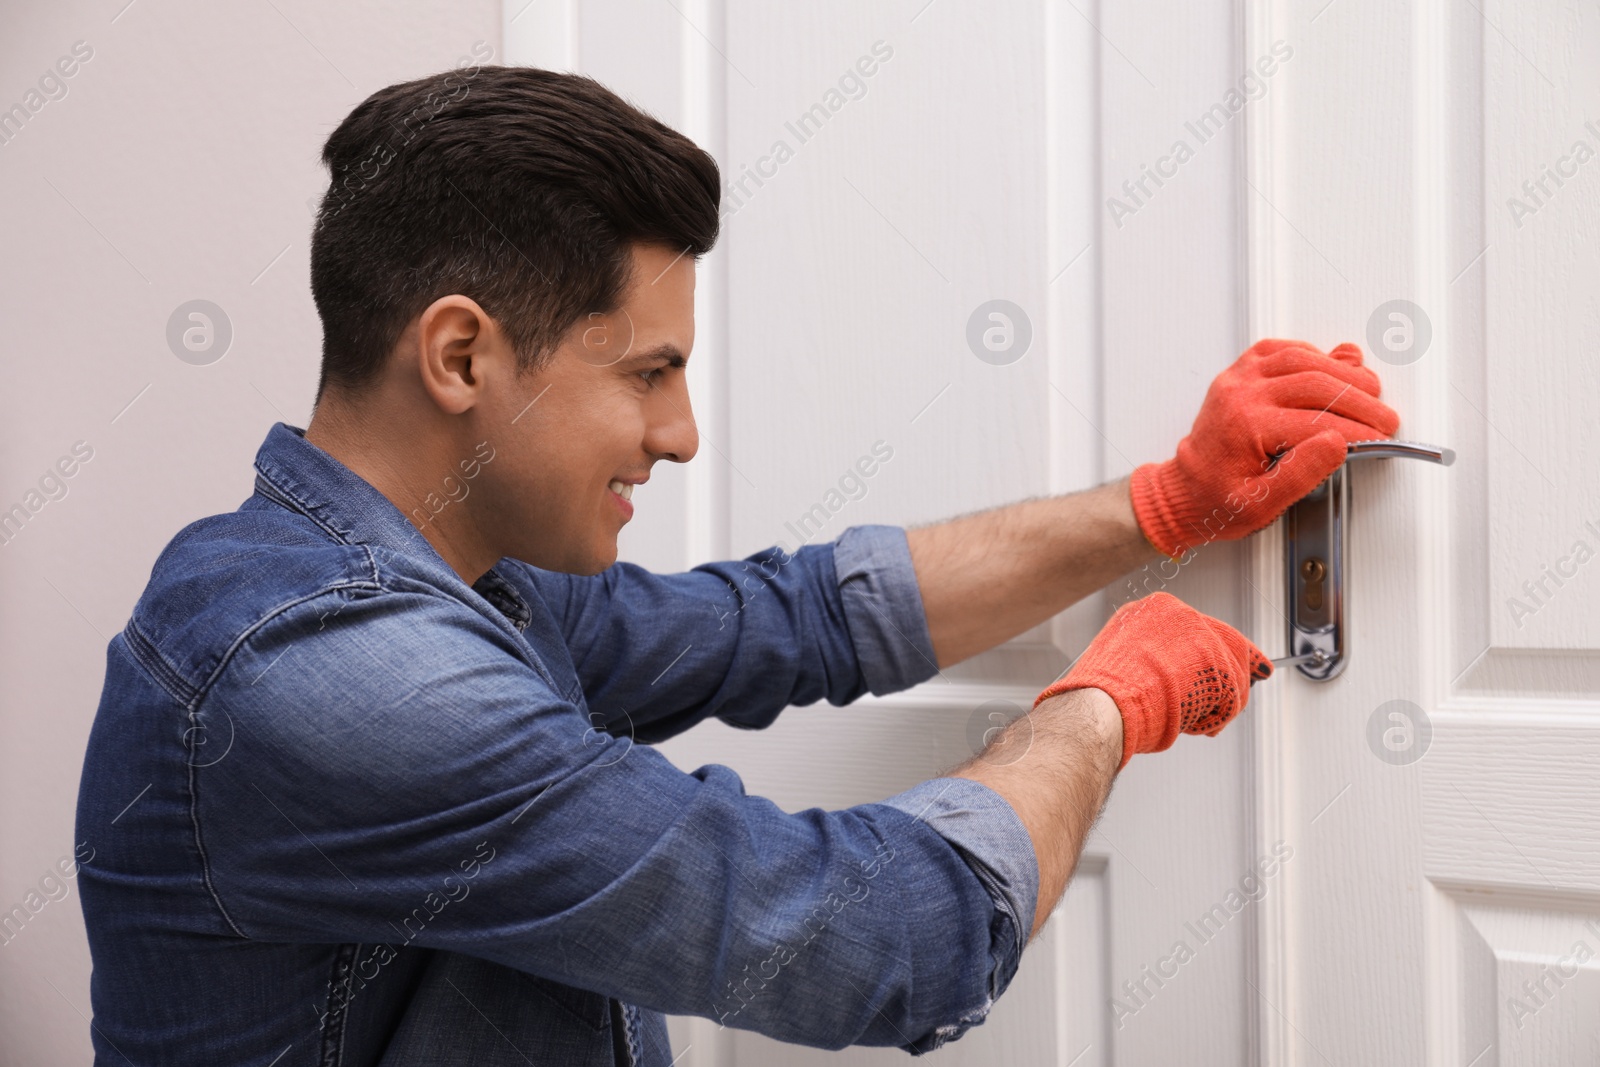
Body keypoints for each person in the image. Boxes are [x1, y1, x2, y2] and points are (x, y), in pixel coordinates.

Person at [74, 65, 1400, 1066]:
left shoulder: (459, 571)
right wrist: (1109, 705)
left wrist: (1163, 504)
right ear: (462, 357)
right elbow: (889, 944)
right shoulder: (336, 679)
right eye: (648, 374)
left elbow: (796, 620)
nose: (681, 433)